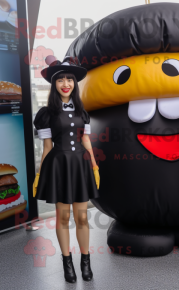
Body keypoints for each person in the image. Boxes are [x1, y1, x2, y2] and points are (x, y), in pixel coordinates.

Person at [32, 55, 100, 283]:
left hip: (80, 166)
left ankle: (86, 261)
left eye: (69, 79)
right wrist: (41, 173)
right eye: (60, 80)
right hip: (59, 166)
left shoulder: (83, 112)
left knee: (81, 217)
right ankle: (67, 262)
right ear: (54, 84)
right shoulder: (46, 113)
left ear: (75, 83)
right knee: (63, 217)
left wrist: (94, 164)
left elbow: (86, 141)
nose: (66, 84)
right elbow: (47, 146)